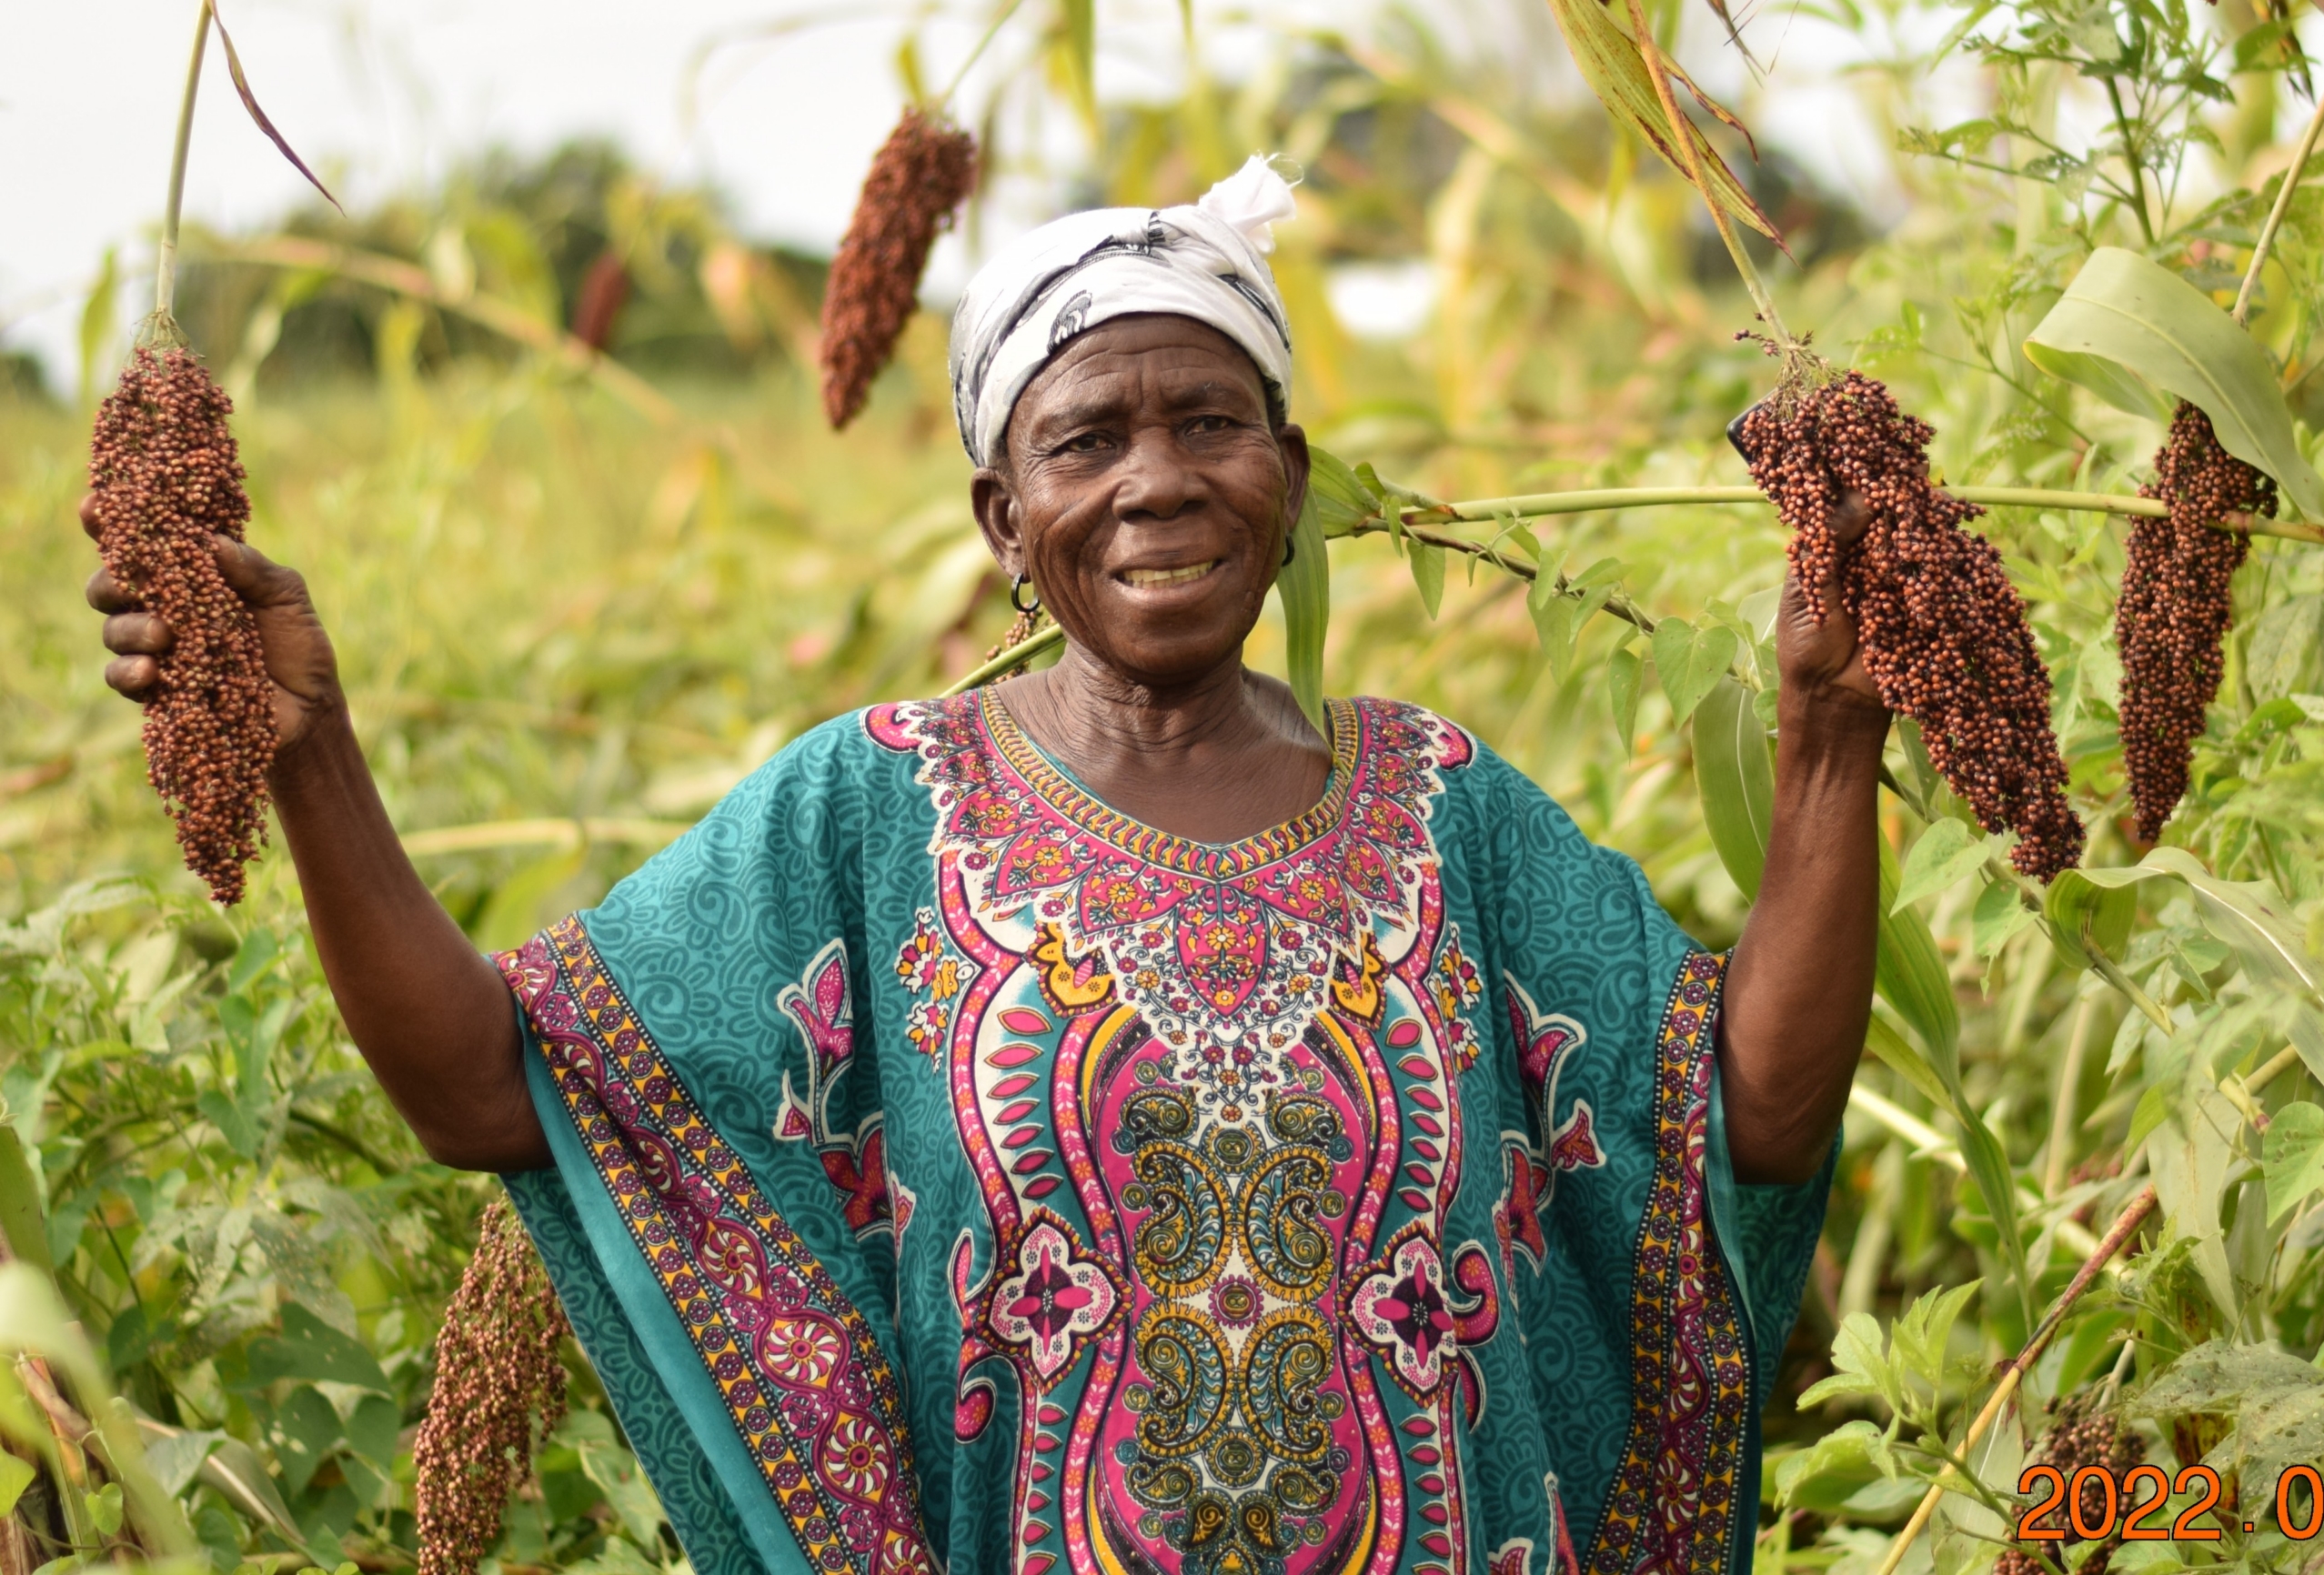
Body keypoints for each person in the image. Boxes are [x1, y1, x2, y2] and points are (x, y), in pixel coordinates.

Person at [86, 157, 1888, 1575]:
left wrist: (1825, 739)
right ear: (1000, 520)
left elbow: (1742, 1123)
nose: (1156, 479)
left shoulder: (1447, 807)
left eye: (1208, 419)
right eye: (1083, 438)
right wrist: (306, 749)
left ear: (1289, 466)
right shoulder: (863, 817)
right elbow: (497, 1083)